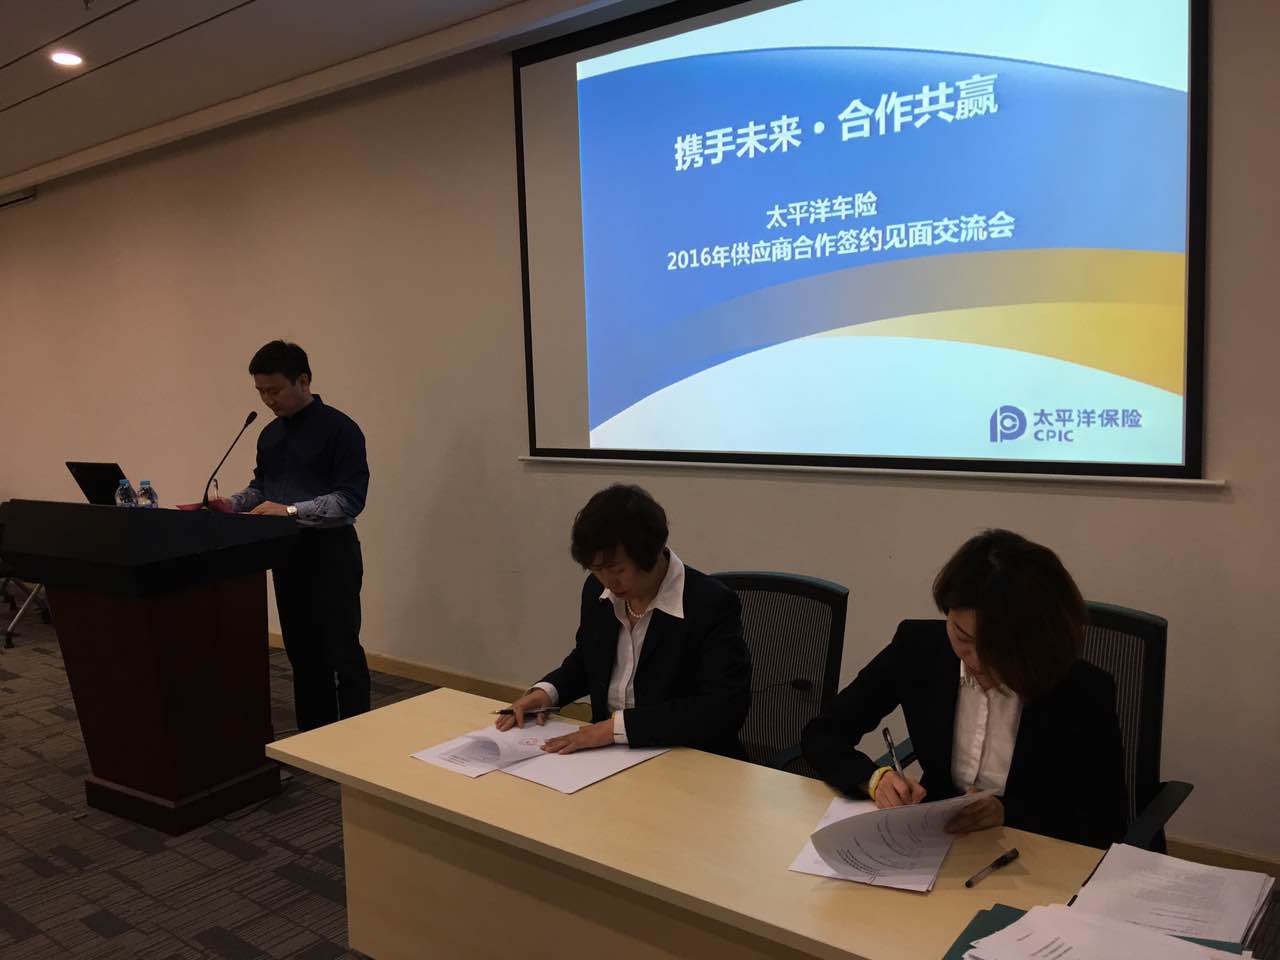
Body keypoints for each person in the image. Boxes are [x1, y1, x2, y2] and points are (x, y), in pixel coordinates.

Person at [801, 529, 1128, 849]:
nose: (977, 660)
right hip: (935, 843)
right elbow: (823, 732)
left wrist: (1008, 813)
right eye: (963, 637)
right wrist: (874, 779)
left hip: (1030, 852)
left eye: (998, 648)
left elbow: (1104, 822)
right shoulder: (919, 649)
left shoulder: (1080, 690)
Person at [497, 484, 751, 759]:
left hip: (687, 757)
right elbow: (587, 660)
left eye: (617, 569)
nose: (608, 581)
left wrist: (614, 729)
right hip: (609, 757)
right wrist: (548, 693)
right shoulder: (598, 592)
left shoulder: (709, 604)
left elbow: (721, 709)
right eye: (597, 569)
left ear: (652, 553)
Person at [220, 340, 371, 731]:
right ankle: (314, 736)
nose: (268, 400)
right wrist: (230, 503)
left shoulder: (341, 429)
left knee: (341, 652)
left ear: (303, 380)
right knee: (302, 655)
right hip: (287, 554)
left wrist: (290, 511)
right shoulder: (269, 434)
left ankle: (358, 737)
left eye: (274, 390)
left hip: (330, 553)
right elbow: (262, 488)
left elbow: (350, 500)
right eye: (261, 392)